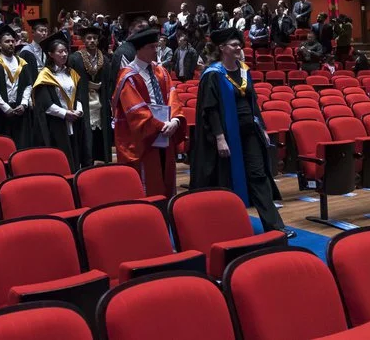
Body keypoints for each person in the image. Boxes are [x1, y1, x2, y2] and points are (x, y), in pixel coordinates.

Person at [189, 28, 293, 238]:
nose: (239, 48)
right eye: (234, 45)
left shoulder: (243, 70)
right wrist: (219, 138)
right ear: (222, 48)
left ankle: (275, 226)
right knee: (225, 179)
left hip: (250, 131)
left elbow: (253, 102)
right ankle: (228, 228)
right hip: (227, 135)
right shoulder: (213, 75)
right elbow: (210, 110)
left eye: (239, 44)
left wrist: (262, 128)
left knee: (258, 175)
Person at [111, 28, 184, 196]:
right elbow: (135, 111)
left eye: (156, 46)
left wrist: (175, 121)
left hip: (166, 131)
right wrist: (160, 126)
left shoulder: (161, 71)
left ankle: (167, 213)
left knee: (166, 174)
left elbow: (172, 96)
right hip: (143, 137)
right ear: (140, 49)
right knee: (148, 181)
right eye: (151, 47)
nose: (156, 50)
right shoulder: (128, 76)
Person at [32, 32, 91, 170]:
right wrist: (65, 114)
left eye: (65, 51)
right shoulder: (45, 75)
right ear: (51, 54)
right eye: (60, 52)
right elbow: (44, 103)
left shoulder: (71, 73)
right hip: (56, 123)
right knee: (61, 158)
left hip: (74, 121)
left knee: (76, 155)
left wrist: (79, 110)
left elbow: (78, 96)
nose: (64, 54)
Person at [0, 25, 33, 147]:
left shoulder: (22, 63)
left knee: (20, 144)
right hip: (0, 112)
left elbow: (28, 85)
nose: (11, 44)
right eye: (7, 41)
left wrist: (24, 104)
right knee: (2, 145)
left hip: (19, 110)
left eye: (12, 41)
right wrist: (5, 107)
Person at [69, 25, 113, 163]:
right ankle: (86, 160)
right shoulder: (75, 58)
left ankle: (101, 158)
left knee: (100, 130)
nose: (92, 41)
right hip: (83, 99)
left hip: (100, 99)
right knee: (86, 131)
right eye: (89, 38)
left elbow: (109, 81)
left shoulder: (104, 59)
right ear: (83, 40)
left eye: (94, 38)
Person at [19, 18, 48, 84]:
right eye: (41, 31)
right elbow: (22, 74)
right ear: (33, 32)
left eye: (46, 31)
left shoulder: (48, 50)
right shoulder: (26, 51)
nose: (44, 33)